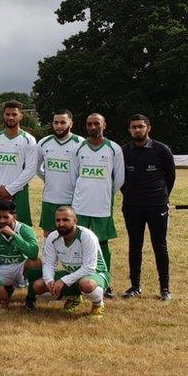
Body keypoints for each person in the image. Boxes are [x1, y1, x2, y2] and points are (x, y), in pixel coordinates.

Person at [120, 114, 175, 301]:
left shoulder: (161, 150)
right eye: (134, 127)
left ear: (148, 128)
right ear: (129, 129)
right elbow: (119, 179)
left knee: (160, 246)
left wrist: (161, 197)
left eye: (141, 126)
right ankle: (135, 286)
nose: (137, 130)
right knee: (135, 245)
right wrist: (129, 194)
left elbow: (170, 177)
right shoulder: (123, 151)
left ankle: (165, 288)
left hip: (157, 205)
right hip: (132, 206)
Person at [70, 113, 124, 298]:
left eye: (96, 123)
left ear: (104, 125)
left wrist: (103, 193)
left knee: (102, 243)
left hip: (101, 205)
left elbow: (119, 179)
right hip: (80, 205)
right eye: (89, 124)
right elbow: (73, 176)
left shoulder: (114, 148)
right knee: (79, 243)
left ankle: (105, 281)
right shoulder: (78, 147)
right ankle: (79, 280)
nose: (93, 127)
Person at [33, 206, 110, 319]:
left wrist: (63, 281)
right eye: (58, 220)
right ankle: (74, 297)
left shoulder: (87, 236)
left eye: (65, 220)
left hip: (96, 274)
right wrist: (49, 280)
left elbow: (89, 268)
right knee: (38, 287)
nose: (61, 223)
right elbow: (49, 263)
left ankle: (98, 304)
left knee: (86, 285)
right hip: (72, 275)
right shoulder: (52, 237)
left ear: (75, 220)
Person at [0, 199, 42, 309]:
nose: (1, 220)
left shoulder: (24, 229)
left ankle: (30, 299)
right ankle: (7, 288)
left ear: (14, 216)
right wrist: (0, 287)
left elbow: (33, 253)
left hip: (21, 268)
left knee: (35, 262)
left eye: (5, 217)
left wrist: (13, 236)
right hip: (1, 267)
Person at [0, 100, 37, 226]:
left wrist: (10, 190)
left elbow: (30, 169)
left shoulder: (29, 140)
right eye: (7, 114)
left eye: (14, 114)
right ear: (3, 115)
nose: (10, 117)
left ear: (21, 116)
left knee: (20, 229)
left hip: (19, 192)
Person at [36, 110, 82, 235]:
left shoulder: (81, 143)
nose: (59, 126)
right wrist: (48, 178)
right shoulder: (44, 142)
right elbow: (36, 166)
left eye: (63, 122)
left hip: (71, 200)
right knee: (49, 235)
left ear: (71, 123)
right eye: (56, 122)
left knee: (71, 235)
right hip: (49, 199)